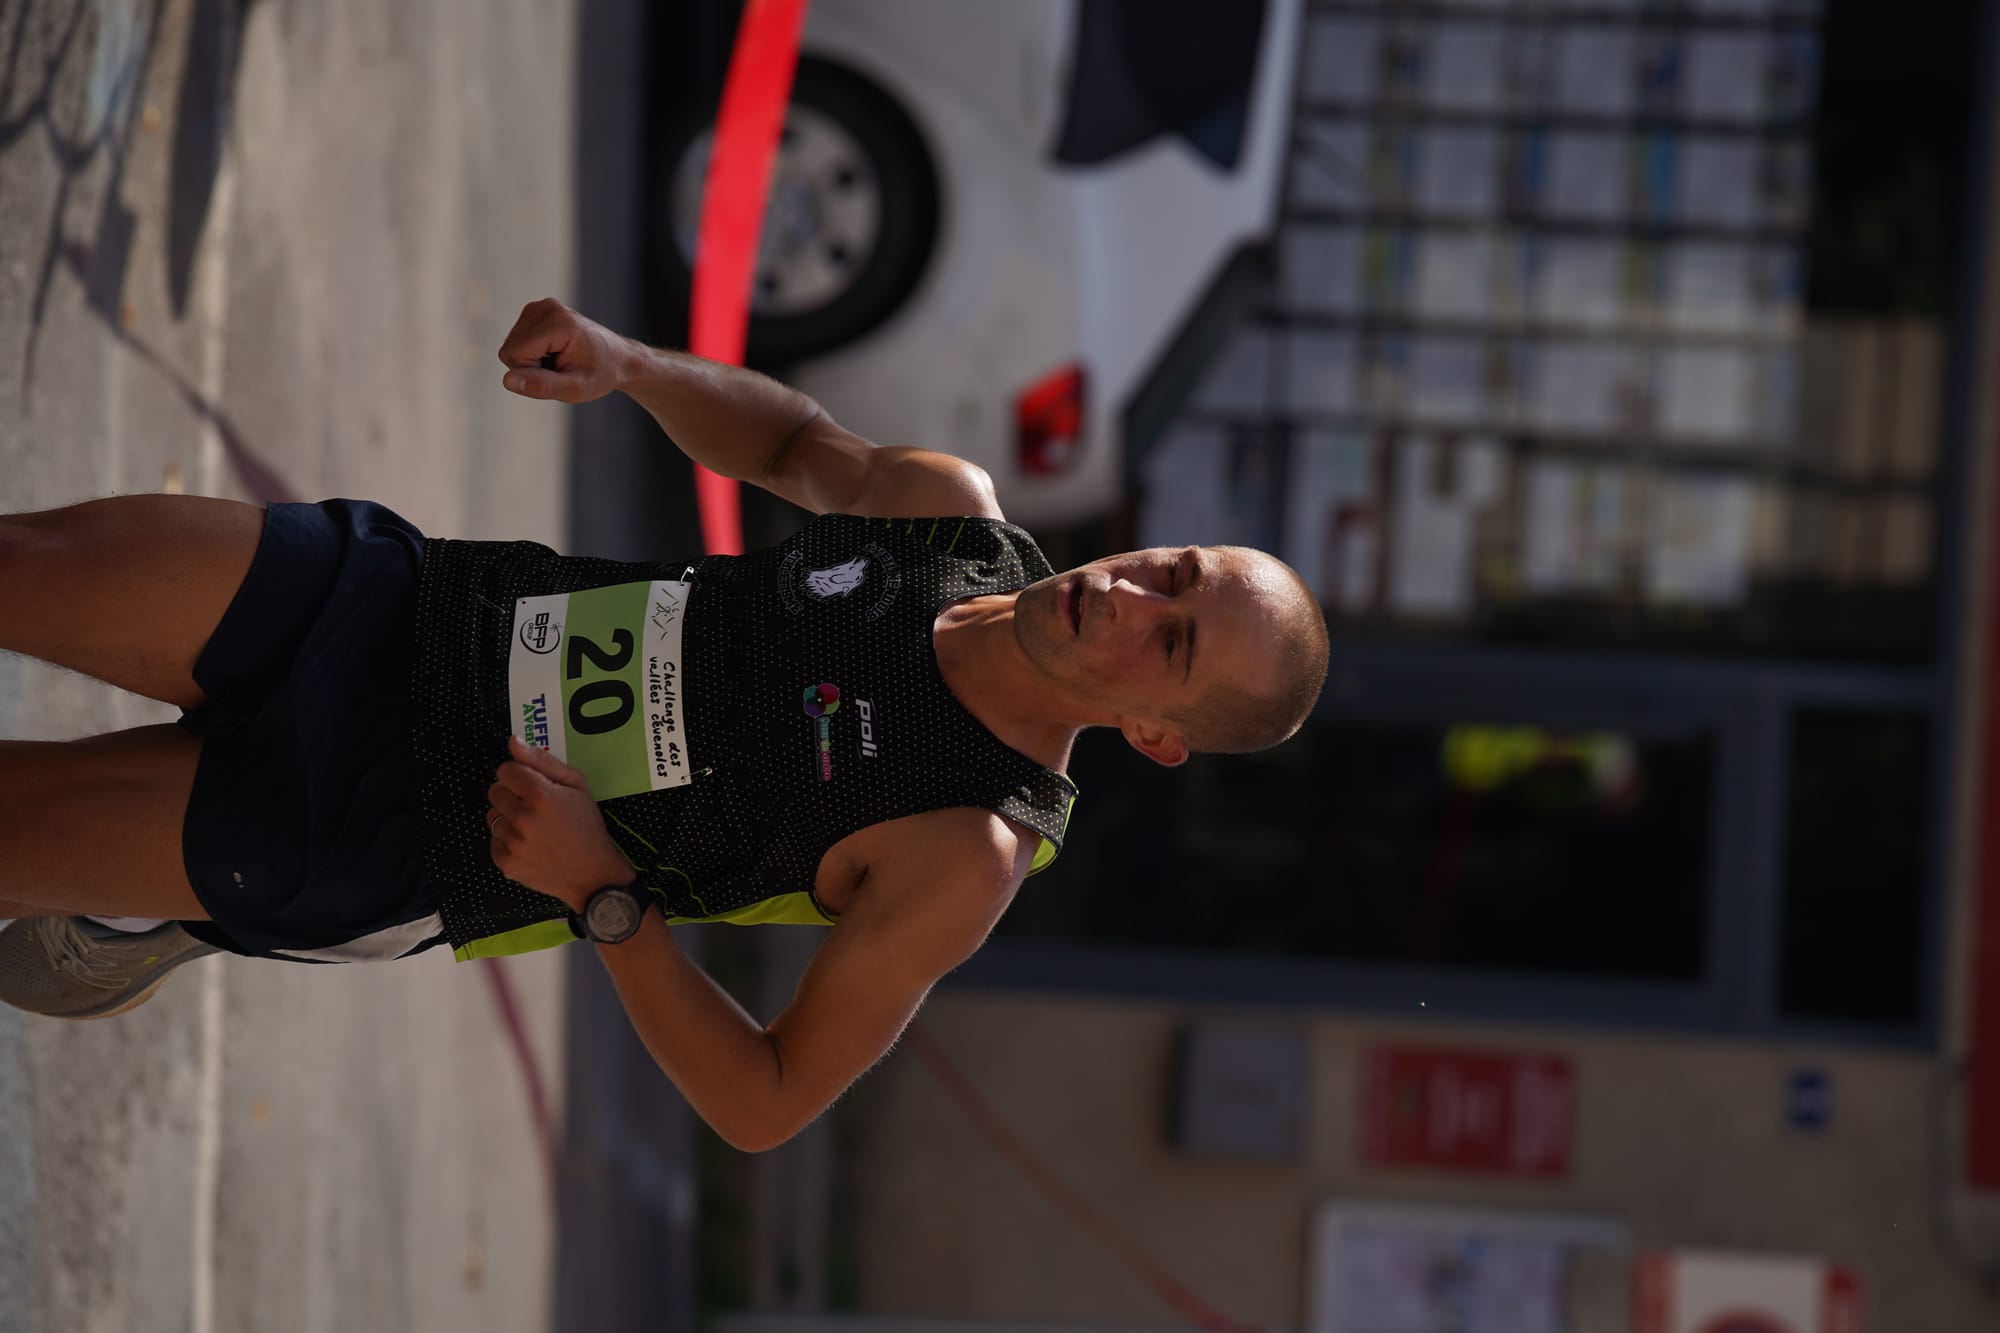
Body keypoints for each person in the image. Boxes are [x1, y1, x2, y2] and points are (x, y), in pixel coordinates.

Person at [0, 299, 1328, 1151]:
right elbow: (795, 440)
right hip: (413, 609)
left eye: (1176, 641)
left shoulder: (966, 843)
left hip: (407, 829)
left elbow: (767, 1098)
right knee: (24, 570)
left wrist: (606, 897)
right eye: (1181, 568)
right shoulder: (951, 517)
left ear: (1160, 734)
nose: (1138, 594)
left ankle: (155, 907)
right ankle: (146, 903)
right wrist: (632, 367)